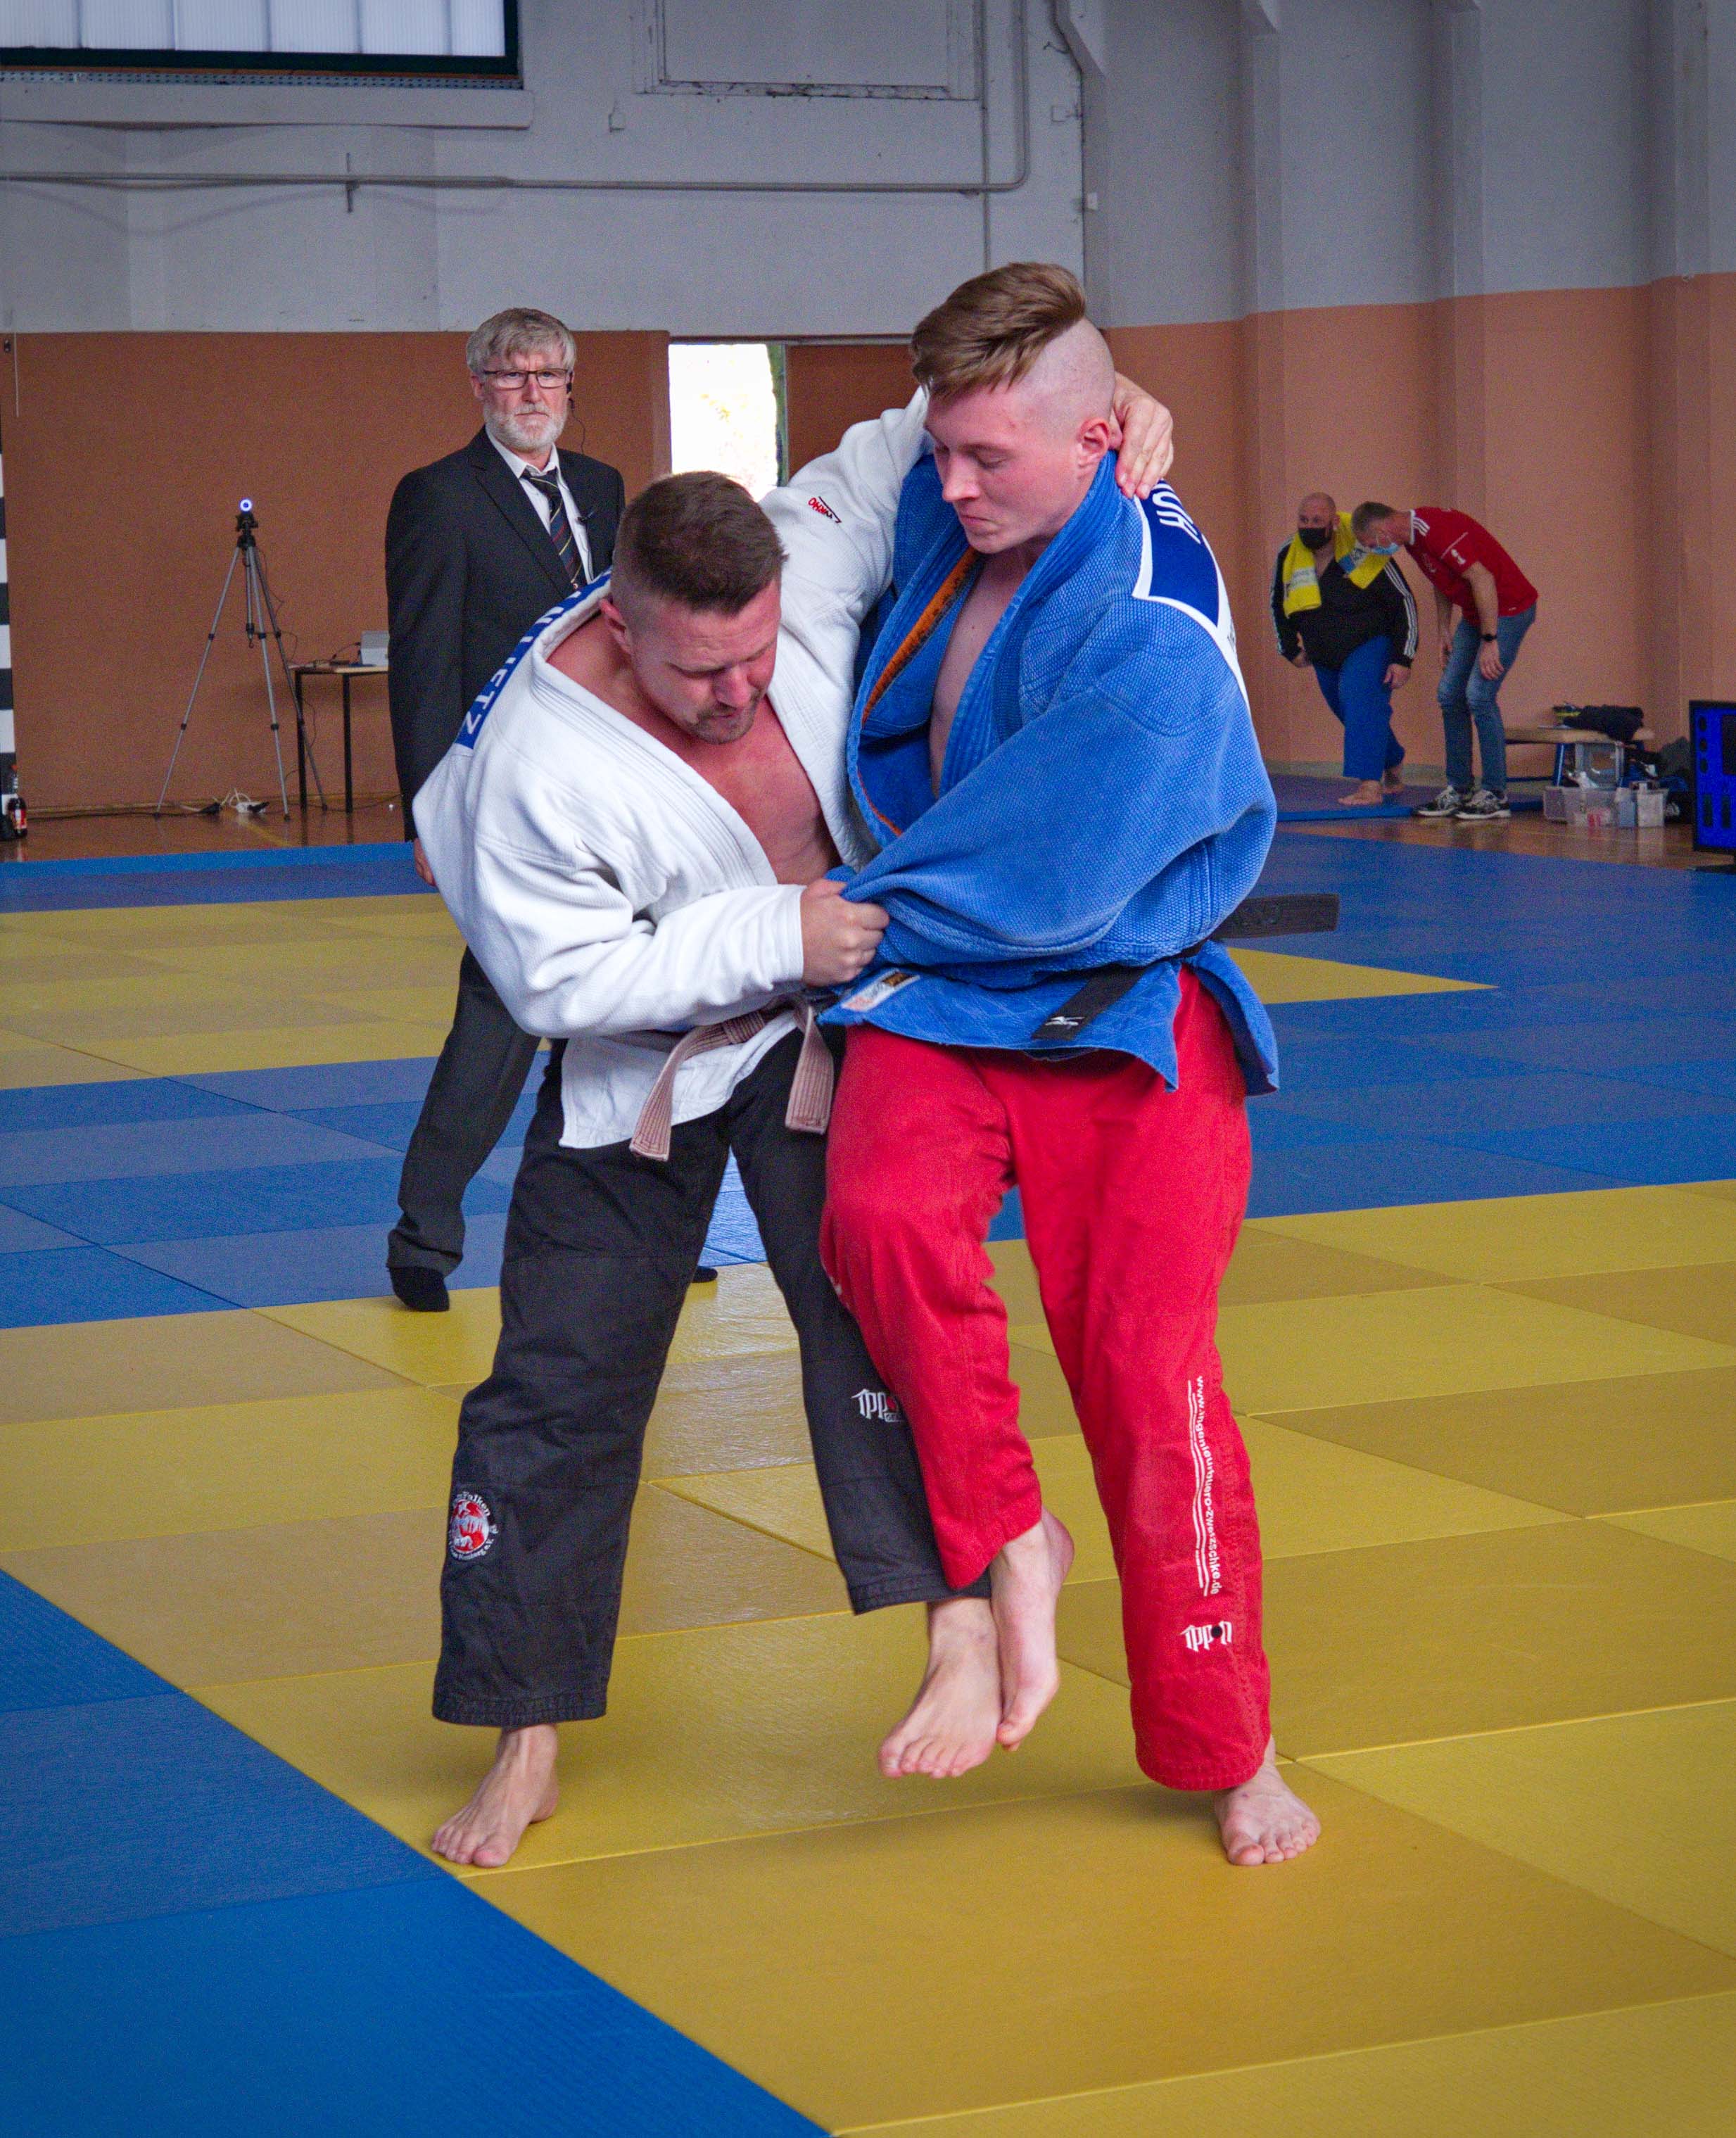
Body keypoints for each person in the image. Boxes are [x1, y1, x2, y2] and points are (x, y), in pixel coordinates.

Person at [410, 384, 1179, 1868]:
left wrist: (1104, 401)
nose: (738, 691)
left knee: (880, 1304)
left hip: (830, 1027)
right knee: (554, 1383)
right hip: (639, 1061)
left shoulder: (806, 546)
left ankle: (960, 1617)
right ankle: (525, 1735)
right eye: (699, 669)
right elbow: (556, 983)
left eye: (757, 653)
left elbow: (921, 428)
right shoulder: (533, 763)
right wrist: (778, 929)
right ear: (621, 627)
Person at [818, 262, 1320, 1868]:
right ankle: (1003, 1536)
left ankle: (1229, 1745)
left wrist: (826, 921)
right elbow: (931, 433)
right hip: (951, 998)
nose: (952, 483)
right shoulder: (954, 503)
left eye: (988, 458)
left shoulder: (1148, 622)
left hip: (1120, 1008)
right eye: (942, 451)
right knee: (876, 1220)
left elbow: (1051, 872)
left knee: (1150, 1382)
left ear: (1097, 443)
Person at [384, 307, 627, 1313]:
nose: (533, 392)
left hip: (613, 792)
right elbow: (424, 659)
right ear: (480, 385)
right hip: (504, 798)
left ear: (570, 384)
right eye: (513, 374)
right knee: (496, 1016)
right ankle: (423, 1236)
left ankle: (638, 1226)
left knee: (631, 1019)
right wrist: (428, 812)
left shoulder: (603, 488)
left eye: (549, 374)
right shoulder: (438, 496)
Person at [1352, 500, 1538, 824]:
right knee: (1450, 693)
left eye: (1372, 544)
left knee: (1479, 695)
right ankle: (1459, 788)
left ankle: (1495, 793)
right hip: (1475, 613)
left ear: (1383, 530)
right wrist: (1443, 629)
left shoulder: (1434, 529)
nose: (1374, 551)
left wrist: (1490, 640)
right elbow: (1441, 581)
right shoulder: (1412, 541)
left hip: (1508, 609)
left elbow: (1482, 579)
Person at [1272, 491, 1416, 805]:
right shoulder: (1289, 554)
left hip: (1370, 643)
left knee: (1359, 697)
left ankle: (1369, 786)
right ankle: (1392, 759)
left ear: (1335, 522)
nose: (1309, 526)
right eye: (1303, 520)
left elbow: (1403, 600)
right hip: (1323, 653)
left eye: (1317, 521)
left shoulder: (1363, 550)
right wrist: (1289, 648)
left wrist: (1403, 657)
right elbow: (1278, 602)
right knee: (1353, 713)